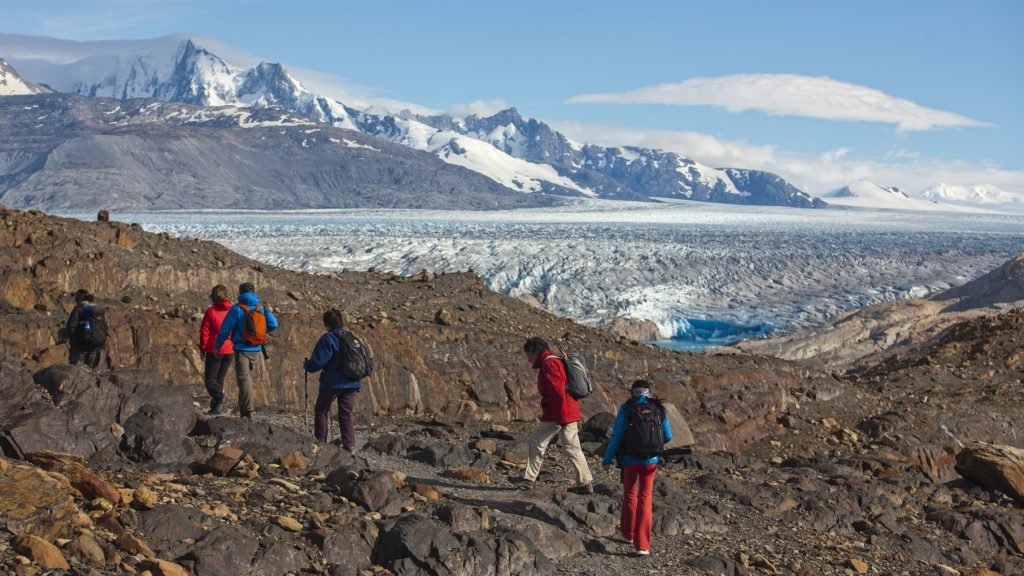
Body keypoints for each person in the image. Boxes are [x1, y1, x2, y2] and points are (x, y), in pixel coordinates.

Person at [603, 379, 673, 556]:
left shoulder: (627, 408)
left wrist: (607, 458)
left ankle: (628, 534)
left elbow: (617, 435)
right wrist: (653, 447)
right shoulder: (658, 408)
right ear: (649, 392)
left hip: (629, 460)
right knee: (645, 498)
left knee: (630, 496)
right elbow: (668, 436)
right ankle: (642, 546)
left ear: (632, 392)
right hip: (651, 461)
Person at [516, 336, 594, 494]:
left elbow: (558, 392)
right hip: (561, 411)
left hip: (560, 413)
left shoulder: (549, 363)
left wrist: (563, 418)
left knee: (554, 444)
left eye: (528, 354)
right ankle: (530, 479)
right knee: (563, 445)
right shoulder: (553, 361)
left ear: (534, 351)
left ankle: (584, 483)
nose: (528, 359)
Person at [213, 282, 278, 418]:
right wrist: (259, 332)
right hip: (257, 349)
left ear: (240, 293)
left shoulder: (237, 309)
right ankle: (244, 410)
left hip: (242, 349)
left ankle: (248, 410)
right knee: (247, 378)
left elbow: (225, 329)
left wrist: (217, 345)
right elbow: (274, 324)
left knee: (244, 379)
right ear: (253, 292)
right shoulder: (261, 308)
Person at [303, 309, 363, 451]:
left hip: (333, 382)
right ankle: (350, 446)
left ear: (327, 323)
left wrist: (307, 365)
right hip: (353, 381)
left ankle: (320, 443)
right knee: (345, 414)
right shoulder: (351, 337)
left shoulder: (328, 338)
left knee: (321, 410)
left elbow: (317, 363)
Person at [199, 284, 235, 415]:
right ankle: (215, 408)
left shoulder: (211, 312)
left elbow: (205, 333)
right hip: (229, 351)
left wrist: (203, 348)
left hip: (215, 351)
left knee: (210, 381)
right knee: (219, 381)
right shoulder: (232, 310)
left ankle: (220, 397)